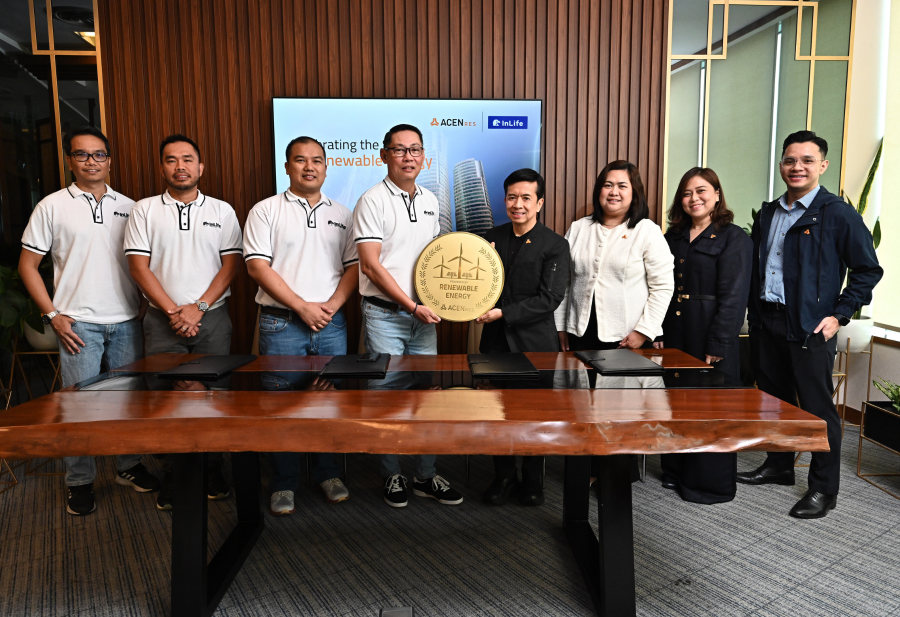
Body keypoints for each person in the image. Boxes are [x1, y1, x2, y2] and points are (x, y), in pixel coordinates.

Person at [738, 130, 882, 518]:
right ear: (781, 165)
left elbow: (868, 270)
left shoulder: (837, 214)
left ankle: (823, 489)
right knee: (775, 403)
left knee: (818, 411)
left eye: (806, 160)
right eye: (789, 160)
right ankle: (780, 465)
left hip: (810, 328)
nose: (796, 167)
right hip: (767, 323)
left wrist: (839, 315)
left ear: (822, 165)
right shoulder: (769, 212)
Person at [19, 126, 160, 516]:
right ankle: (79, 481)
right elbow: (27, 265)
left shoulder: (132, 207)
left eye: (98, 154)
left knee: (127, 404)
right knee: (78, 408)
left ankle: (127, 466)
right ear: (69, 160)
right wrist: (52, 315)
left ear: (110, 160)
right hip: (77, 324)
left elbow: (142, 264)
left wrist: (145, 303)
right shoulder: (51, 206)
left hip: (127, 321)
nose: (91, 161)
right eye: (82, 155)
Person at [124, 134, 243, 510]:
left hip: (212, 319)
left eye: (188, 159)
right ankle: (173, 476)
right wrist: (176, 311)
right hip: (162, 322)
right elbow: (138, 267)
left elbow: (231, 265)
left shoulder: (222, 211)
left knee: (212, 396)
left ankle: (210, 469)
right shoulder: (144, 210)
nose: (180, 166)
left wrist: (199, 308)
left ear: (200, 167)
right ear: (162, 167)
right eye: (172, 160)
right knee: (164, 399)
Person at [244, 136, 357, 515]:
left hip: (332, 321)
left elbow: (354, 267)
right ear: (287, 166)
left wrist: (330, 306)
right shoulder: (265, 211)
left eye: (317, 161)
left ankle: (328, 472)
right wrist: (302, 307)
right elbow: (257, 267)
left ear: (326, 167)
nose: (309, 167)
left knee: (330, 397)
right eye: (300, 160)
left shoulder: (343, 213)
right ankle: (284, 482)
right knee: (282, 403)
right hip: (282, 322)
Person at [353, 123, 463, 508]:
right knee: (386, 396)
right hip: (386, 315)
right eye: (399, 150)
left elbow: (435, 260)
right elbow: (370, 266)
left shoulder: (432, 200)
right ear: (384, 156)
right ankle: (392, 474)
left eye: (415, 150)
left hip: (424, 319)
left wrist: (449, 300)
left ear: (423, 157)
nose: (408, 157)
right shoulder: (371, 200)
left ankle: (425, 476)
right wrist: (411, 305)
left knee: (426, 397)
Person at [655, 167, 752, 504]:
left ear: (716, 195)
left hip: (710, 331)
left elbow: (734, 298)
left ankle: (708, 484)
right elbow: (662, 288)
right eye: (686, 193)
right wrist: (657, 331)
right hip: (676, 330)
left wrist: (719, 342)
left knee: (711, 407)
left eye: (701, 191)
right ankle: (675, 472)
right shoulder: (673, 237)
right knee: (676, 401)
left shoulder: (733, 237)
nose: (693, 198)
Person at [476, 168, 570, 506]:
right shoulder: (490, 237)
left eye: (526, 198)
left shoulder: (555, 244)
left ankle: (533, 481)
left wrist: (504, 312)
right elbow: (478, 284)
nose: (518, 204)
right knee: (497, 415)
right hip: (495, 344)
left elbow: (550, 298)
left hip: (535, 346)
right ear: (505, 200)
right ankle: (503, 477)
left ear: (539, 202)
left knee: (534, 417)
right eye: (512, 197)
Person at [556, 160, 674, 354]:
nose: (614, 192)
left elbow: (663, 287)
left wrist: (643, 331)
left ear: (634, 193)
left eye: (622, 186)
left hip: (628, 338)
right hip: (578, 335)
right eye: (608, 185)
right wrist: (561, 325)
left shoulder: (647, 231)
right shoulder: (578, 228)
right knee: (577, 384)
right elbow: (564, 283)